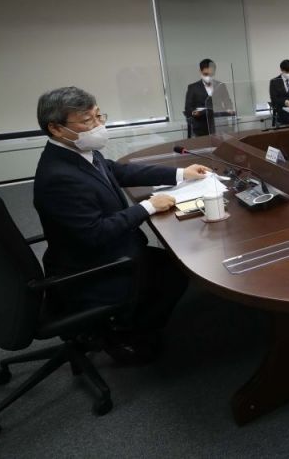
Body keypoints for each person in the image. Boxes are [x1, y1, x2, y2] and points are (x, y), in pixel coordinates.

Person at [33, 87, 212, 362]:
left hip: (106, 251)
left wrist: (180, 174)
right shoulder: (59, 176)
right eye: (87, 120)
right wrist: (148, 206)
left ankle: (130, 322)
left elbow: (120, 171)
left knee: (173, 264)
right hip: (94, 267)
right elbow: (95, 234)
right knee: (175, 272)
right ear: (56, 128)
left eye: (98, 116)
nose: (98, 125)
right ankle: (124, 335)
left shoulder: (77, 151)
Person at [183, 58, 234, 137]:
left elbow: (227, 101)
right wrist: (193, 112)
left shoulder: (221, 85)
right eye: (206, 74)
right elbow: (188, 108)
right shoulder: (193, 88)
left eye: (211, 74)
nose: (208, 77)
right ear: (200, 71)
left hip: (219, 123)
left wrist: (229, 109)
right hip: (201, 126)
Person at [268, 59, 289, 125]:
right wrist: (285, 102)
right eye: (287, 71)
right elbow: (274, 99)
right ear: (281, 70)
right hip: (283, 112)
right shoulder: (274, 82)